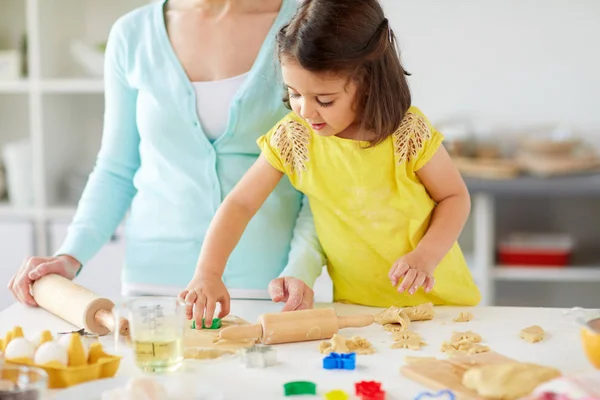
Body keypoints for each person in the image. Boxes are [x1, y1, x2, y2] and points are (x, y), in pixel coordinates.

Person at [7, 0, 326, 311]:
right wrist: (69, 256)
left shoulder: (304, 23)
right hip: (152, 288)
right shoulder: (132, 34)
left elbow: (322, 178)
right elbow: (116, 170)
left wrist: (300, 267)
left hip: (271, 286)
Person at [180, 0, 482, 327]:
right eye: (294, 93)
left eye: (324, 100)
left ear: (366, 82)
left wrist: (426, 256)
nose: (305, 111)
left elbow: (454, 197)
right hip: (359, 311)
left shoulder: (407, 133)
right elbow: (240, 203)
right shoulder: (294, 138)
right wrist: (207, 273)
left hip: (442, 307)